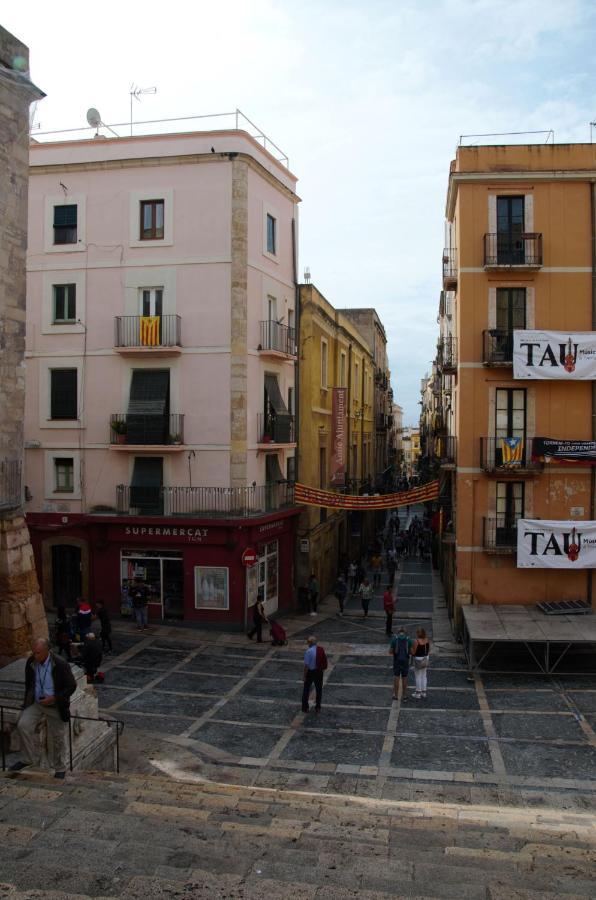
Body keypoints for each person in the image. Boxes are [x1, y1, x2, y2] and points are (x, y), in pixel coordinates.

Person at [10, 637, 77, 779]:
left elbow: (71, 686)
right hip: (36, 703)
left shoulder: (60, 664)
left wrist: (54, 698)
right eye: (34, 652)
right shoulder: (31, 662)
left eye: (38, 653)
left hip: (54, 705)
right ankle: (27, 759)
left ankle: (60, 767)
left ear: (48, 651)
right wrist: (27, 701)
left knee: (58, 737)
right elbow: (29, 684)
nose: (35, 656)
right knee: (23, 725)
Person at [301, 635, 327, 713]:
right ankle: (318, 707)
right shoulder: (321, 649)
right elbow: (324, 660)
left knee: (306, 689)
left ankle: (305, 707)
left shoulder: (308, 651)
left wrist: (304, 676)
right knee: (319, 690)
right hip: (319, 672)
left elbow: (306, 666)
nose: (307, 643)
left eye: (308, 642)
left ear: (310, 643)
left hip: (310, 672)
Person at [389, 626, 412, 703]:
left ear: (398, 632)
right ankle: (404, 695)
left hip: (397, 660)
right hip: (405, 660)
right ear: (405, 632)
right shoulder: (409, 640)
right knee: (405, 677)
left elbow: (390, 651)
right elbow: (411, 651)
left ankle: (396, 695)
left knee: (396, 677)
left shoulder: (394, 639)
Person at [411, 627, 431, 700]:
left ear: (418, 634)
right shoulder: (427, 640)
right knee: (424, 675)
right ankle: (424, 692)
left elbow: (413, 652)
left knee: (418, 676)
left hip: (418, 659)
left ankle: (418, 693)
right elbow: (429, 650)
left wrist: (410, 648)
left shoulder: (416, 641)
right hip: (426, 658)